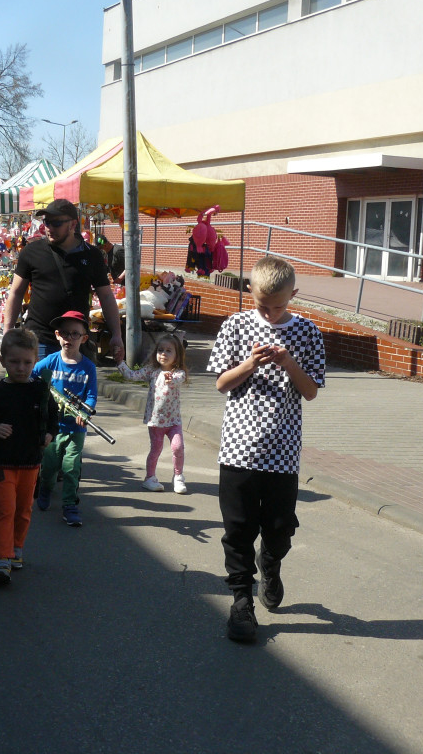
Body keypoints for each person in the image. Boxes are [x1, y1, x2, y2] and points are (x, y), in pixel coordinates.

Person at [207, 255, 326, 644]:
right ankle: (241, 602)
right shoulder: (235, 325)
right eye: (263, 306)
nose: (272, 315)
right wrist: (249, 365)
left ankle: (271, 562)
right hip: (239, 449)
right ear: (250, 292)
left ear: (294, 294)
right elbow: (223, 383)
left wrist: (289, 362)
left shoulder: (307, 332)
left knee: (279, 529)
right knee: (237, 529)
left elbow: (309, 392)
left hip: (283, 449)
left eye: (279, 306)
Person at [0, 328, 58, 585]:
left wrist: (49, 436)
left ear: (35, 360)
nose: (21, 368)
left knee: (23, 510)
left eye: (27, 362)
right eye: (14, 362)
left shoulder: (41, 390)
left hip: (31, 462)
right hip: (2, 462)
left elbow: (53, 419)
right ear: (3, 361)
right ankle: (2, 558)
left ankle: (17, 548)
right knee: (4, 510)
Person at [2, 199, 124, 362]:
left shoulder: (92, 255)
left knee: (74, 388)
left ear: (73, 224)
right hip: (39, 341)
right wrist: (7, 332)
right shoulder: (31, 252)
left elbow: (106, 296)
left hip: (75, 341)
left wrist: (116, 334)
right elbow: (16, 293)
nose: (49, 228)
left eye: (56, 223)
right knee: (37, 387)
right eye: (46, 222)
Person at [31, 310, 98, 527]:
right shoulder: (50, 361)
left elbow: (91, 394)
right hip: (53, 427)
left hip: (76, 429)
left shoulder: (88, 367)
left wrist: (85, 412)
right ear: (58, 335)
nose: (69, 338)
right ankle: (45, 489)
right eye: (65, 334)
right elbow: (32, 376)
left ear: (84, 338)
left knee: (71, 468)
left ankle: (70, 504)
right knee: (49, 468)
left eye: (75, 334)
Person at [116, 332, 190, 494]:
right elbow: (131, 375)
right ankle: (150, 478)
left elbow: (179, 379)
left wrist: (171, 379)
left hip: (173, 421)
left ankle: (178, 477)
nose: (163, 353)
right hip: (155, 421)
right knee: (155, 450)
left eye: (169, 350)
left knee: (178, 447)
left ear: (177, 355)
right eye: (160, 350)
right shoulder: (151, 371)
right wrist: (120, 363)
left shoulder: (178, 373)